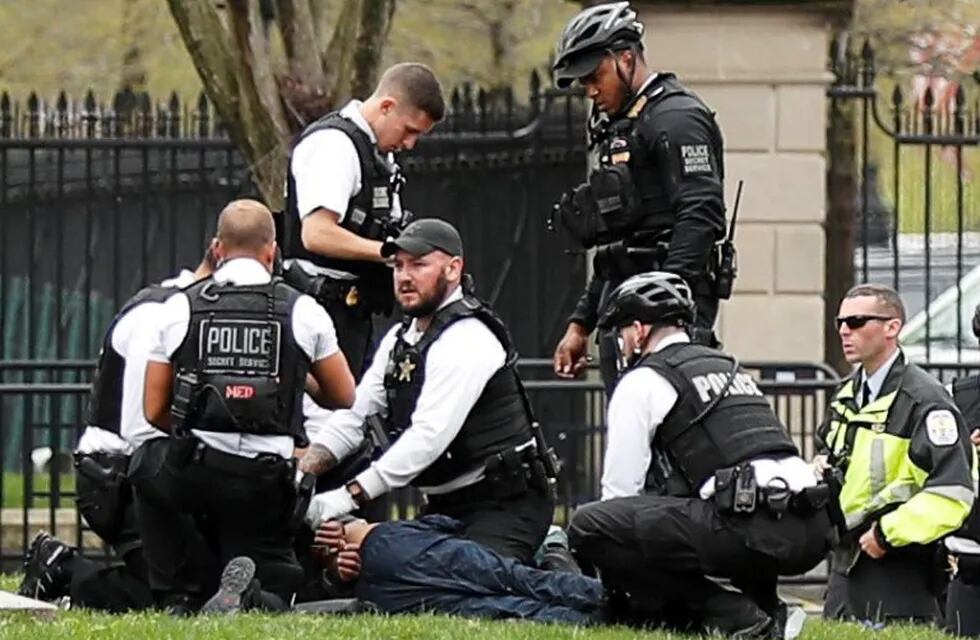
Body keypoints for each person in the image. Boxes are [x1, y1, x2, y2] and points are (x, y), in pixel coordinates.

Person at [568, 271, 831, 637]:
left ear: (640, 330)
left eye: (623, 331)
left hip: (752, 526)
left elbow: (620, 494)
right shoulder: (728, 367)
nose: (622, 342)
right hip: (811, 525)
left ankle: (732, 613)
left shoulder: (644, 380)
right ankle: (769, 610)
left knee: (592, 525)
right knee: (722, 500)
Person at [133, 199, 356, 613]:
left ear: (217, 249)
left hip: (196, 472)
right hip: (267, 480)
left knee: (145, 463)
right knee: (275, 576)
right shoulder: (304, 311)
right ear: (272, 252)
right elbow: (343, 396)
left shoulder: (180, 307)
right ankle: (251, 595)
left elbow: (153, 410)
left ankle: (180, 592)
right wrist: (293, 371)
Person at [299, 218, 557, 565]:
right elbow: (354, 417)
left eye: (419, 264)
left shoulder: (468, 337)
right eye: (398, 265)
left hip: (505, 505)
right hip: (444, 505)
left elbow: (427, 437)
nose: (404, 276)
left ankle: (556, 561)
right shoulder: (399, 339)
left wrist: (347, 496)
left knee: (463, 591)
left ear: (453, 269)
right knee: (381, 569)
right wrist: (303, 476)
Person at [17, 250, 216, 612]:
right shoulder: (159, 313)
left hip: (147, 474)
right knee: (185, 594)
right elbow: (141, 426)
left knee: (203, 586)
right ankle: (64, 572)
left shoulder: (191, 309)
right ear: (219, 253)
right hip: (116, 478)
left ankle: (66, 570)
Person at [549, 2, 727, 394]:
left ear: (626, 58)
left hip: (666, 315)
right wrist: (582, 322)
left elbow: (700, 216)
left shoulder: (676, 118)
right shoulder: (622, 126)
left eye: (596, 76)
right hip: (627, 303)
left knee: (667, 433)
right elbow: (619, 242)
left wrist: (662, 312)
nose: (591, 90)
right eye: (583, 83)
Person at [818, 283, 976, 624]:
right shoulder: (847, 394)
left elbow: (953, 491)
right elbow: (838, 460)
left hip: (900, 567)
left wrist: (887, 533)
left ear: (892, 328)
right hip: (848, 561)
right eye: (841, 322)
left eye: (858, 321)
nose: (845, 330)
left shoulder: (925, 401)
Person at [280, 62, 445, 381]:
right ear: (386, 106)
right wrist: (390, 252)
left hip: (354, 311)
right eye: (409, 130)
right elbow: (316, 234)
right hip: (321, 311)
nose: (410, 144)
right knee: (332, 419)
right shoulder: (334, 145)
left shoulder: (377, 154)